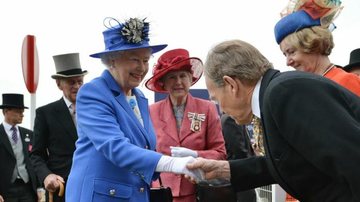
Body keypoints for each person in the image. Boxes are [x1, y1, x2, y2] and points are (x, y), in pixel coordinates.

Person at [186, 39, 360, 201]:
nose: (221, 109)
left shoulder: (284, 92)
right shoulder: (274, 95)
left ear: (231, 85)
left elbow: (352, 160)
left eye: (216, 99)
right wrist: (224, 169)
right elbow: (290, 162)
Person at [66, 17, 203, 202]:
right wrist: (172, 164)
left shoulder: (139, 97)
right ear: (112, 61)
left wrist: (186, 159)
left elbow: (144, 148)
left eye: (146, 60)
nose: (142, 68)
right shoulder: (93, 92)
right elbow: (115, 147)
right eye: (134, 60)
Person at [145, 48, 227, 202]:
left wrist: (195, 155)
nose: (178, 82)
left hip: (197, 191)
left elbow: (220, 153)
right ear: (163, 83)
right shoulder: (151, 112)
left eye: (183, 76)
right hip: (161, 192)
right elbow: (145, 152)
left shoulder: (207, 108)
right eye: (172, 77)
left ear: (191, 78)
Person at [30, 53, 87, 202]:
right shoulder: (45, 113)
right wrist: (46, 175)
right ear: (59, 84)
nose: (77, 86)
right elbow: (36, 154)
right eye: (71, 82)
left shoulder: (95, 110)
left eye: (80, 82)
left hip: (93, 185)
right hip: (63, 189)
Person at [274, 0, 360, 96]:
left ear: (314, 44)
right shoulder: (314, 85)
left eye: (291, 52)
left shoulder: (345, 81)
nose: (288, 62)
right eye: (285, 54)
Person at [0, 93, 42, 202]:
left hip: (28, 188)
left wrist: (39, 187)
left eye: (22, 112)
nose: (22, 115)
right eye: (18, 111)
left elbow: (35, 159)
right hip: (5, 189)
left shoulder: (29, 134)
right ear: (6, 111)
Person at [220, 114, 256, 202]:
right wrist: (253, 163)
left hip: (238, 173)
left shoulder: (230, 118)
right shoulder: (230, 119)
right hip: (241, 174)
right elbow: (238, 150)